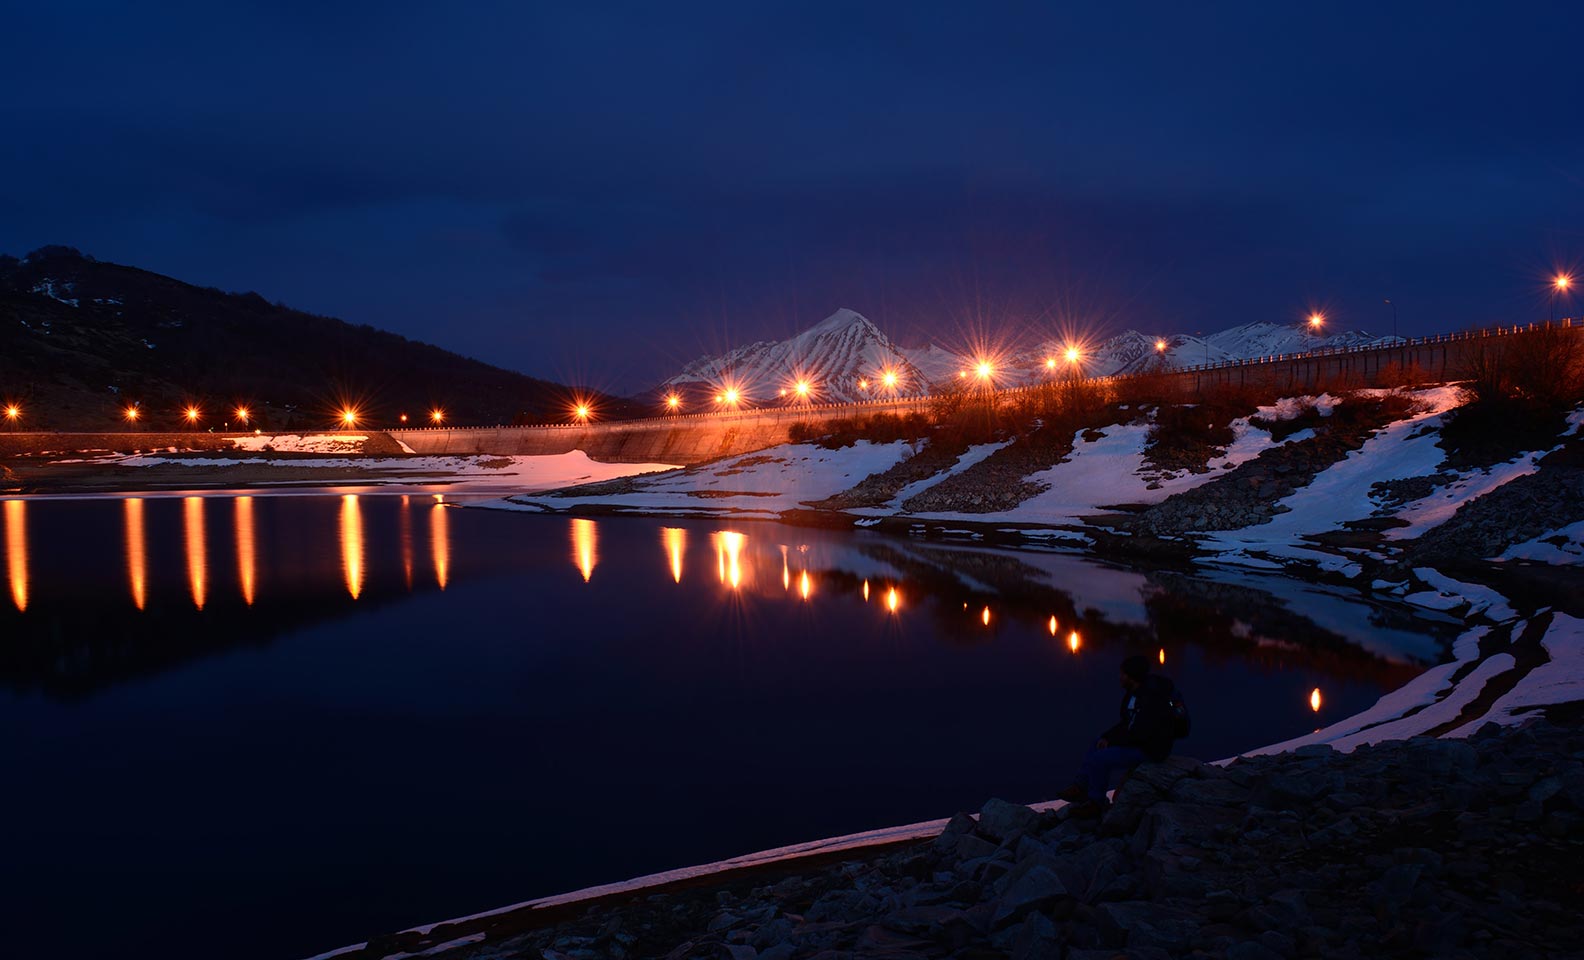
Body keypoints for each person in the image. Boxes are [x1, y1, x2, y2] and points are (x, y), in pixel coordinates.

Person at [1059, 654, 1184, 818]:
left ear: (1131, 676)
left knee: (1100, 759)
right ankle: (1081, 787)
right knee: (1097, 743)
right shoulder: (1134, 694)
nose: (1120, 677)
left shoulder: (1151, 700)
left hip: (1151, 750)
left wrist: (1114, 741)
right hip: (1139, 742)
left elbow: (1139, 733)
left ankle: (1096, 803)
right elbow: (1127, 723)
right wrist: (1107, 737)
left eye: (1123, 674)